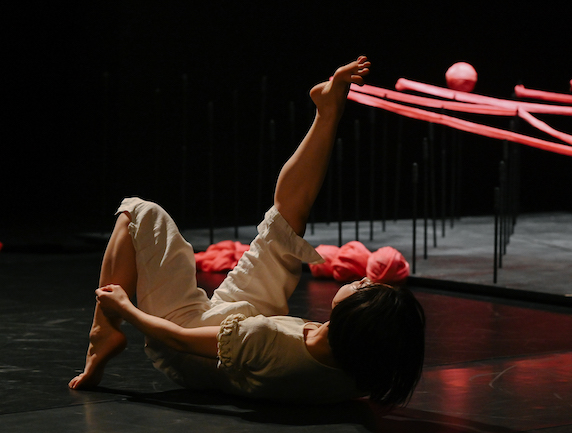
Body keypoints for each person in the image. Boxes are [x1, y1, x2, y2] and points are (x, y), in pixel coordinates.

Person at [69, 56, 425, 406]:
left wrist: (124, 308)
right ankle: (328, 112)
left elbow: (178, 340)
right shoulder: (356, 370)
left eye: (366, 289)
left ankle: (103, 334)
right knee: (287, 223)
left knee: (138, 212)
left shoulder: (266, 340)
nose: (365, 280)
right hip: (248, 329)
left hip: (191, 341)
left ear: (353, 322)